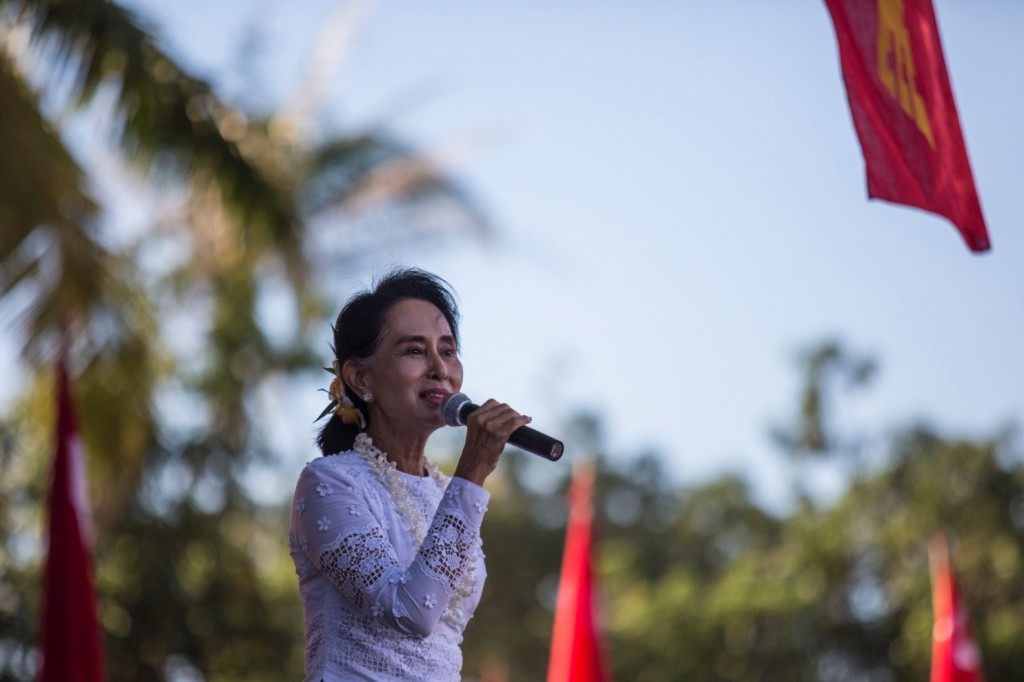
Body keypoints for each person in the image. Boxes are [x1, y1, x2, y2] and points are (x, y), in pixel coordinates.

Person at [288, 268, 532, 681]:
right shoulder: (330, 482)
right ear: (359, 377)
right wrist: (473, 470)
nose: (440, 369)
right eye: (415, 351)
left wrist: (465, 481)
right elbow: (410, 612)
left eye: (448, 350)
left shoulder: (444, 494)